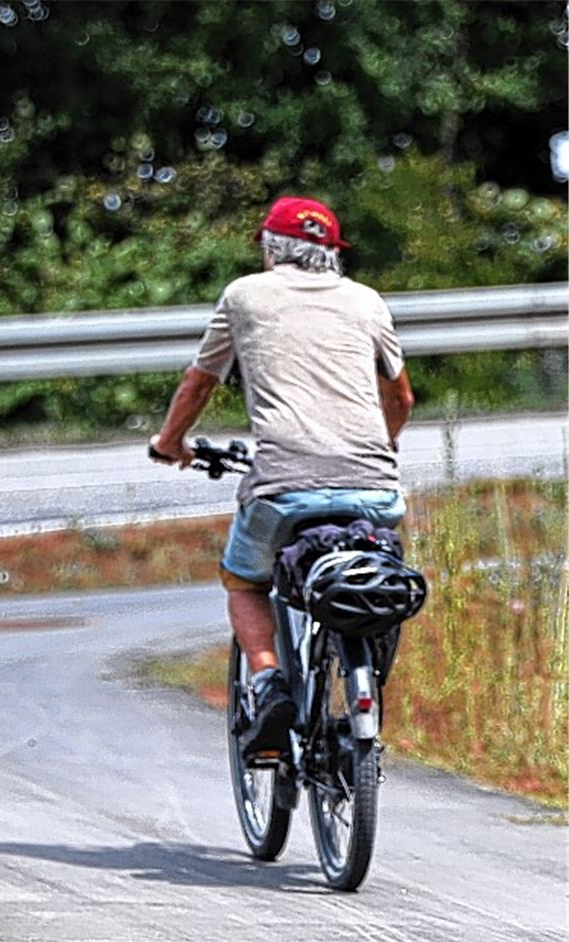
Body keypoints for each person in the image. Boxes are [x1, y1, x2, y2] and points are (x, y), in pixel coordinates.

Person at [150, 196, 415, 757]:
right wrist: (379, 448)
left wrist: (171, 443)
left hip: (284, 485)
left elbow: (199, 384)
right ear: (332, 255)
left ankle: (269, 682)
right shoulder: (367, 302)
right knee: (375, 567)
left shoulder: (244, 296)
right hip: (375, 484)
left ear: (270, 249)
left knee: (246, 579)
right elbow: (401, 396)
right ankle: (362, 679)